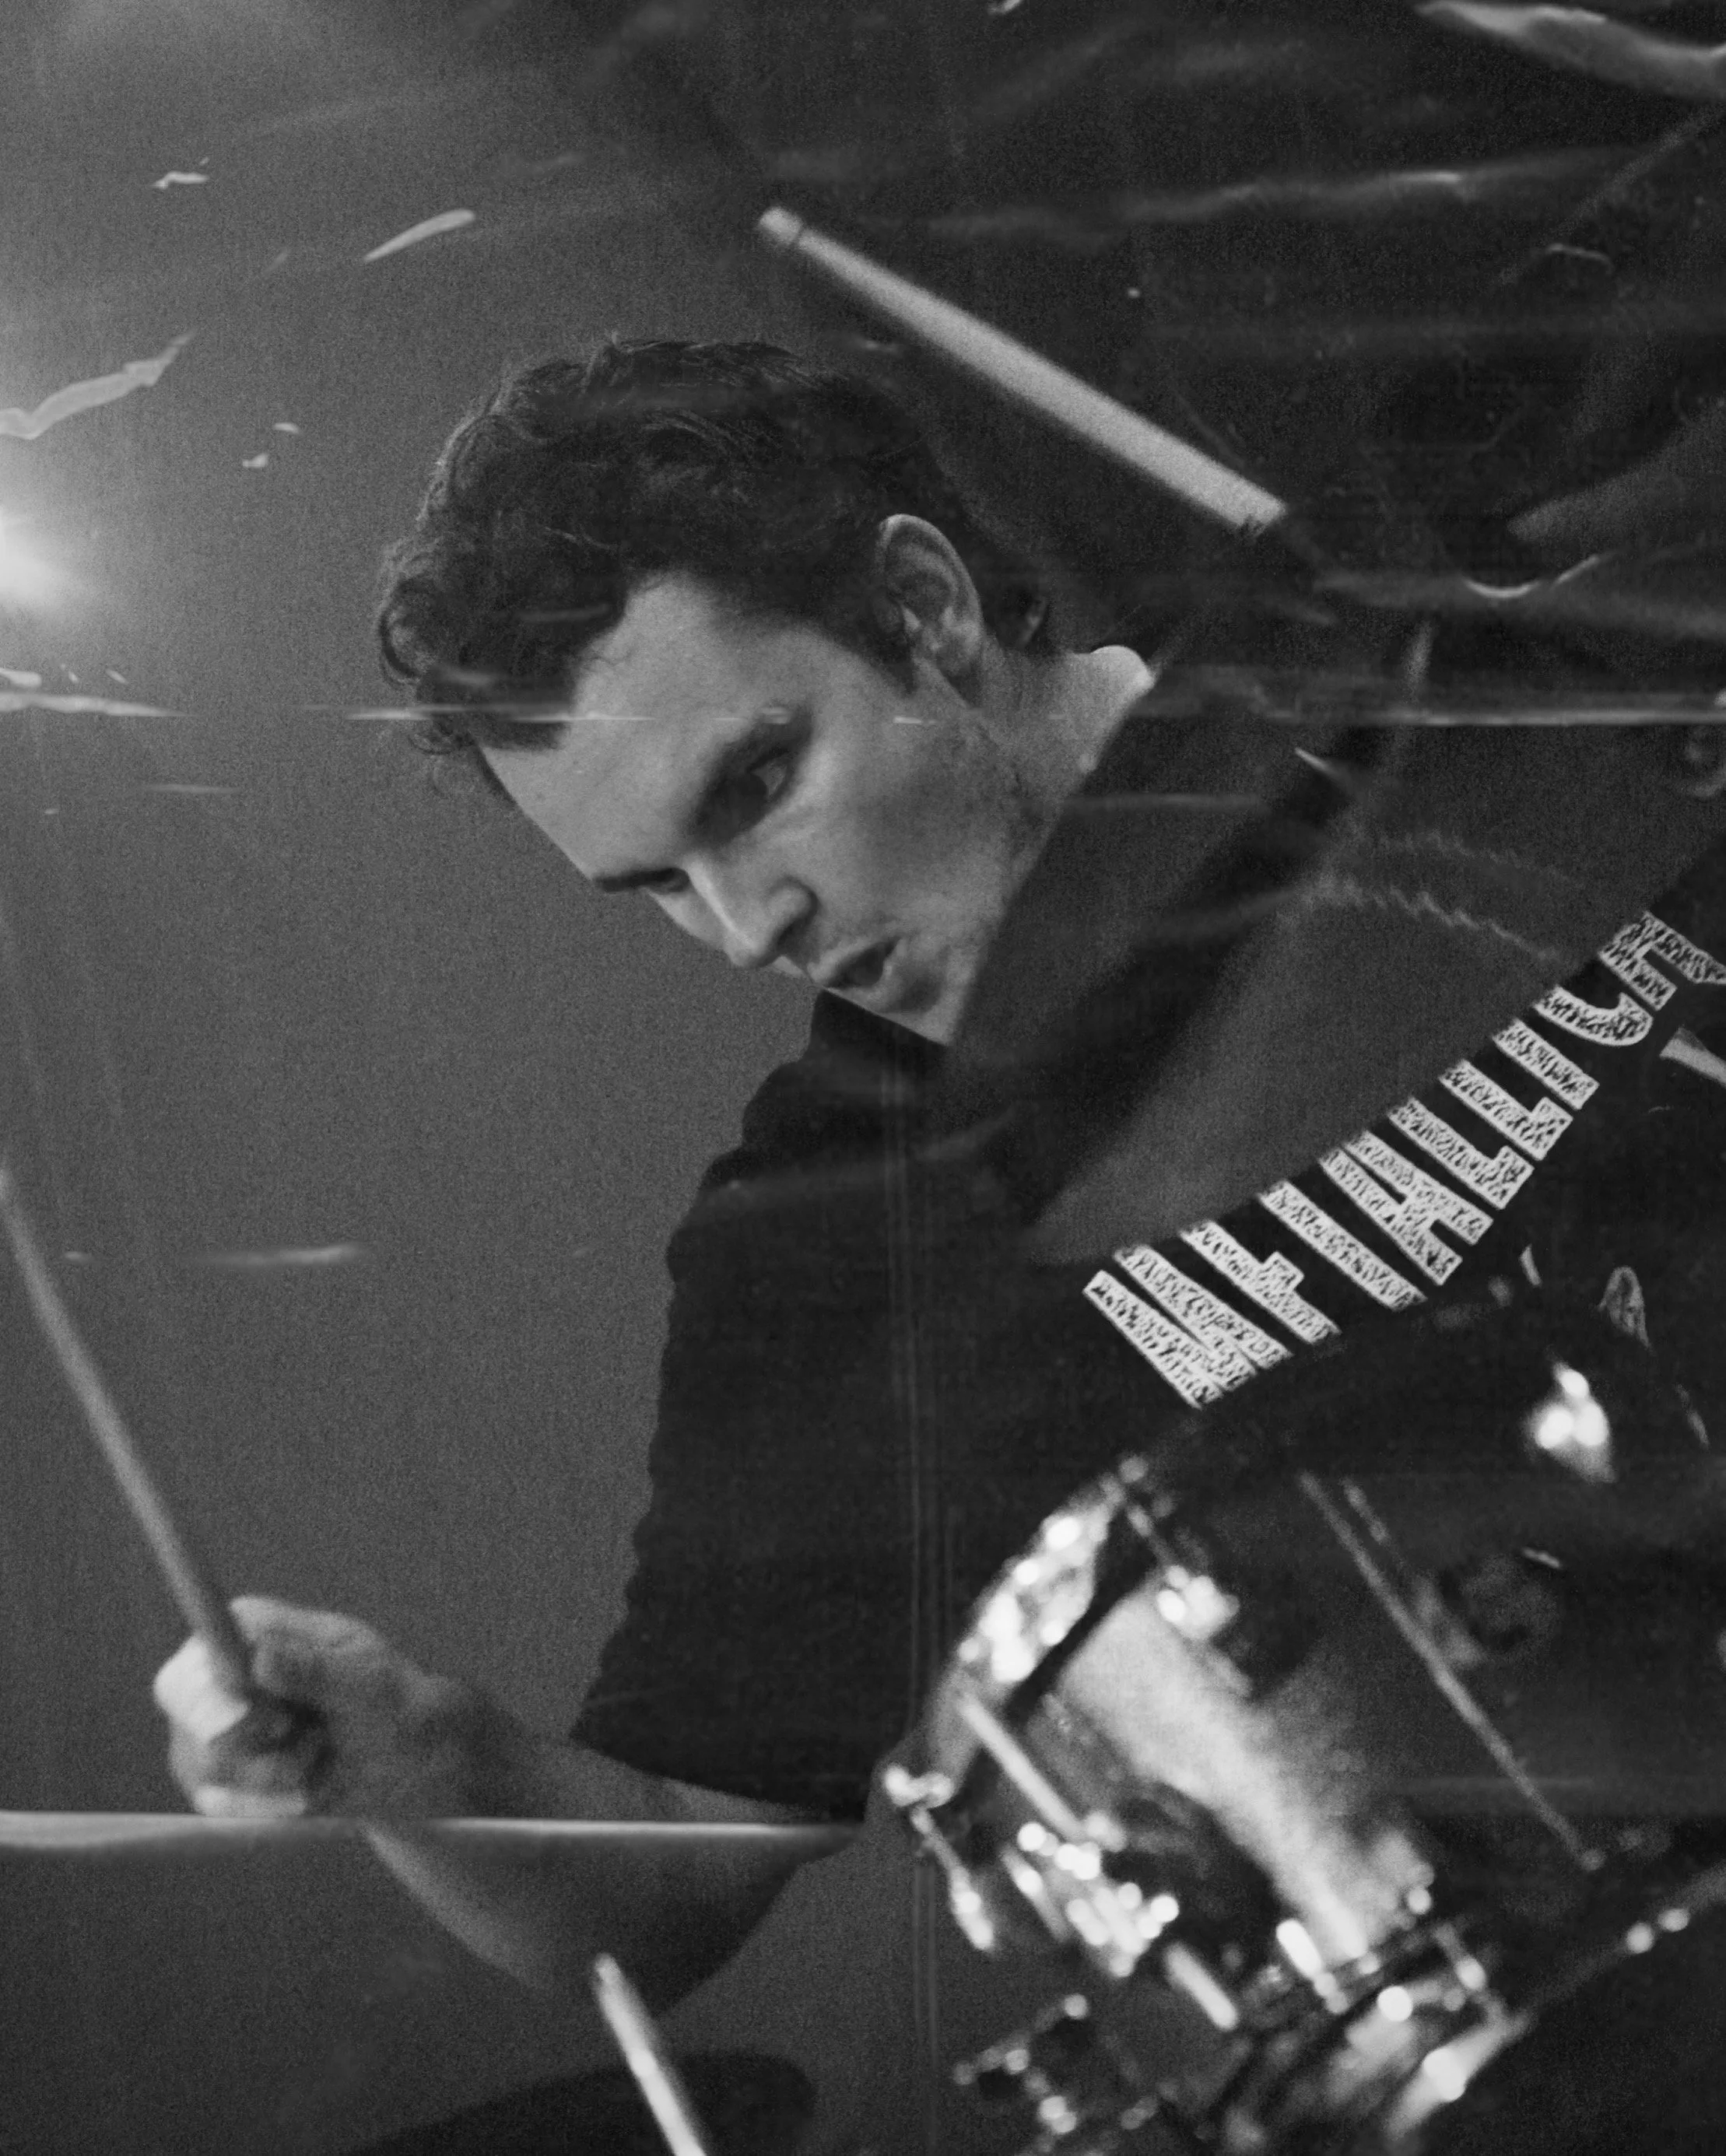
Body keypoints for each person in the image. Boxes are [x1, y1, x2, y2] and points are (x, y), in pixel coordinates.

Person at [153, 336, 1726, 2018]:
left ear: (923, 606)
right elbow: (663, 1882)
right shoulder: (835, 1238)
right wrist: (427, 1756)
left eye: (757, 785)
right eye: (655, 884)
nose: (749, 924)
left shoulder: (1465, 676)